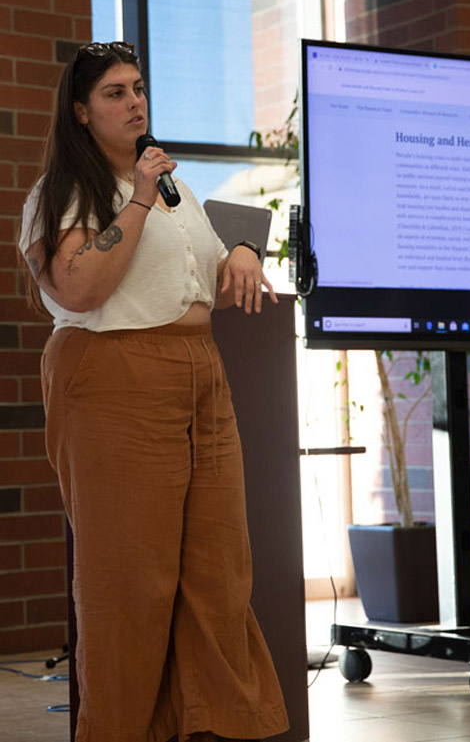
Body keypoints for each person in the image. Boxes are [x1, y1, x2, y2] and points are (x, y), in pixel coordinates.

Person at [19, 41, 289, 742]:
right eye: (114, 92)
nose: (135, 101)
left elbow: (201, 273)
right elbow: (80, 285)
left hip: (198, 374)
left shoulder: (176, 189)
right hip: (115, 381)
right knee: (129, 588)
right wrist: (137, 197)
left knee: (218, 576)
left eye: (138, 87)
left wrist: (242, 251)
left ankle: (213, 729)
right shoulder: (64, 194)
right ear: (80, 112)